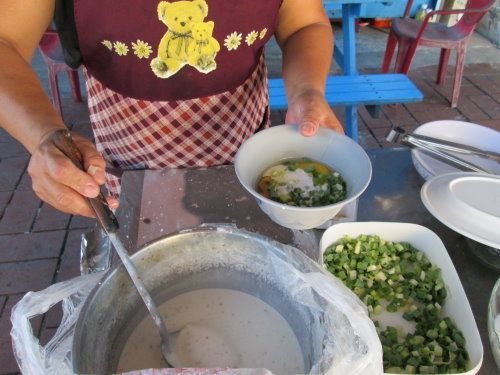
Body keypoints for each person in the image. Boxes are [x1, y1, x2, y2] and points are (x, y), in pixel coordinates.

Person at [0, 0, 343, 218]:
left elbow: (303, 23)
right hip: (129, 146)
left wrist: (308, 91)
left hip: (240, 136)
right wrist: (45, 137)